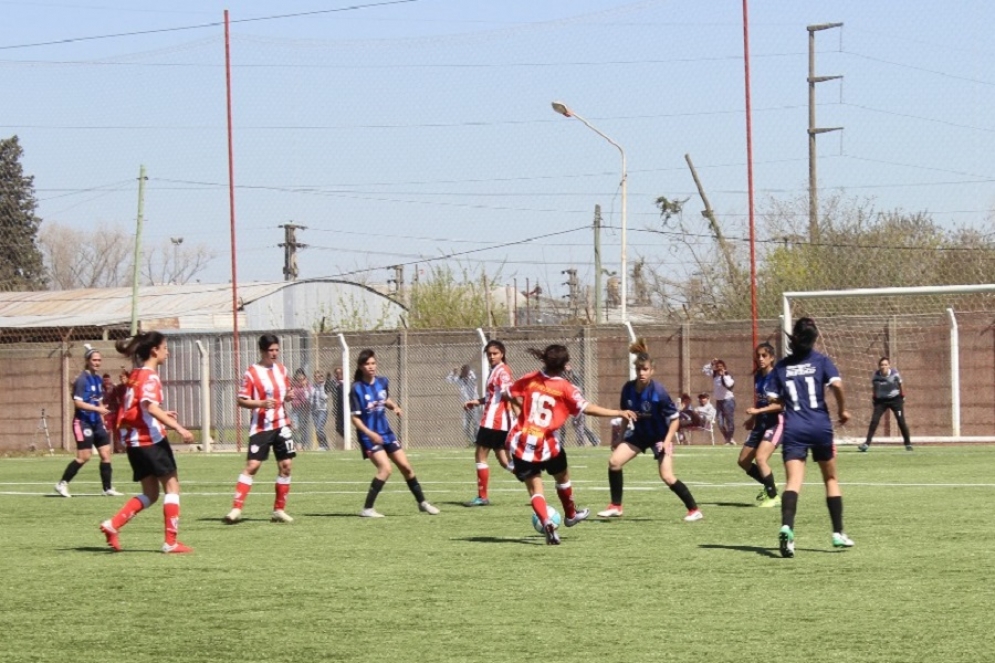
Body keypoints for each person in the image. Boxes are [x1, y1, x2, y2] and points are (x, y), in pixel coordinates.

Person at [505, 344, 636, 545]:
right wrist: (618, 412)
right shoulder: (566, 388)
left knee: (535, 490)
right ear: (566, 365)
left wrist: (520, 413)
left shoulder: (530, 378)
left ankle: (547, 521)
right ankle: (570, 514)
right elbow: (588, 408)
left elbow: (509, 393)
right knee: (562, 477)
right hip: (547, 443)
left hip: (522, 442)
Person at [99, 331, 195, 553]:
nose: (167, 351)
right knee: (172, 487)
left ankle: (112, 525)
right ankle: (170, 542)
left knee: (150, 494)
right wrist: (179, 428)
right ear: (155, 350)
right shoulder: (150, 376)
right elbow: (149, 406)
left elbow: (139, 408)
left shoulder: (136, 374)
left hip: (134, 442)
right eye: (165, 347)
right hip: (150, 440)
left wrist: (162, 413)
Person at [766, 317, 854, 558]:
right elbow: (836, 385)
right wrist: (842, 410)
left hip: (794, 427)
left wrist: (788, 401)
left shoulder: (782, 367)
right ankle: (838, 533)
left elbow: (773, 398)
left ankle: (787, 528)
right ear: (814, 339)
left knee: (793, 482)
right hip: (820, 426)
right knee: (831, 479)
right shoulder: (822, 361)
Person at [598, 339, 704, 522]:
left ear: (652, 371)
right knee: (614, 462)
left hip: (659, 437)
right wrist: (619, 439)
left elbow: (675, 419)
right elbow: (626, 415)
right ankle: (616, 506)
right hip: (639, 435)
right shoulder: (628, 389)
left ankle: (694, 510)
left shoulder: (659, 392)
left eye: (645, 369)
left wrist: (667, 440)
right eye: (639, 369)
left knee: (667, 476)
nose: (642, 373)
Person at [351, 349, 440, 518]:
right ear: (361, 367)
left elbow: (384, 399)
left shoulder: (382, 381)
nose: (371, 367)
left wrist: (394, 407)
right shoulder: (356, 389)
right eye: (367, 364)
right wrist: (369, 434)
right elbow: (355, 419)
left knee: (406, 467)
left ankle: (422, 503)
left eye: (373, 363)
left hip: (385, 432)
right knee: (385, 469)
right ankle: (367, 509)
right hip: (369, 436)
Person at [223, 334, 297, 525]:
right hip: (262, 426)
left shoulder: (282, 370)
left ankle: (279, 510)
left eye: (276, 350)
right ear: (263, 351)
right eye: (271, 350)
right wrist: (262, 403)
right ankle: (236, 509)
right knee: (253, 466)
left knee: (286, 466)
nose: (274, 354)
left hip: (282, 424)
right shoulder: (252, 373)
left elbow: (287, 393)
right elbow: (241, 400)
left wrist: (289, 396)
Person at [55, 345, 123, 498]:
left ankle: (107, 488)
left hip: (96, 422)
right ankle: (62, 484)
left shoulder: (98, 379)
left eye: (99, 360)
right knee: (84, 456)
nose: (97, 363)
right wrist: (97, 410)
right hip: (83, 422)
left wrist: (102, 416)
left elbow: (98, 400)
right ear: (87, 361)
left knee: (106, 454)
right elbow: (78, 403)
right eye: (94, 360)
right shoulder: (81, 380)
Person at [463, 340, 515, 507]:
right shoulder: (496, 371)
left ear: (502, 354)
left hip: (494, 421)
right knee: (504, 461)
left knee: (480, 455)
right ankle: (532, 479)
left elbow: (508, 393)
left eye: (495, 353)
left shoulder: (503, 372)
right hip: (498, 421)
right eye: (489, 354)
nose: (492, 356)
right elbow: (495, 396)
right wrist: (477, 401)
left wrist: (519, 412)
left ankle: (482, 497)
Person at [739, 342, 783, 507]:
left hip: (775, 424)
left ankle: (773, 496)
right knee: (743, 461)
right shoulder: (758, 377)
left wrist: (758, 412)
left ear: (771, 358)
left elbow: (781, 405)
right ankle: (768, 484)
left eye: (764, 356)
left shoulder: (777, 377)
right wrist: (753, 417)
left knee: (761, 458)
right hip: (760, 423)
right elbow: (760, 401)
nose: (760, 359)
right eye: (758, 356)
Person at [858, 357, 912, 452]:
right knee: (874, 421)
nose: (884, 367)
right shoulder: (876, 375)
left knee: (901, 421)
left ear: (889, 366)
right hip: (881, 401)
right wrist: (874, 397)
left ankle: (908, 444)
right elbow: (874, 386)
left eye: (885, 364)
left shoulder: (895, 374)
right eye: (882, 365)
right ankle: (866, 444)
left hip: (895, 400)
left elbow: (901, 384)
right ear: (879, 366)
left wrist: (902, 396)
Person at [555, 363, 602, 447]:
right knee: (564, 424)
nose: (566, 377)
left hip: (577, 406)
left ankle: (583, 443)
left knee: (578, 424)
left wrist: (571, 370)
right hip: (565, 406)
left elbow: (577, 379)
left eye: (568, 375)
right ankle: (594, 440)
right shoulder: (562, 385)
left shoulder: (574, 385)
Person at [703, 358, 736, 445]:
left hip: (728, 400)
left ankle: (729, 440)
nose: (719, 368)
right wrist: (711, 363)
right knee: (720, 422)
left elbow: (729, 384)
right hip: (719, 401)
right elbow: (705, 370)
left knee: (729, 421)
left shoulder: (728, 375)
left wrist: (723, 375)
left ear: (724, 367)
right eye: (717, 367)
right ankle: (728, 438)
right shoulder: (714, 374)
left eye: (721, 367)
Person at [447, 364, 479, 445]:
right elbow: (448, 380)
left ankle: (477, 440)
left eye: (466, 372)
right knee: (465, 426)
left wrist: (469, 372)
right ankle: (472, 441)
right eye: (463, 372)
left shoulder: (472, 378)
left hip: (474, 404)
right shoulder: (460, 380)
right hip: (465, 406)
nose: (465, 374)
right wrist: (453, 373)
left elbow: (474, 378)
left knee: (476, 424)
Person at [289, 368, 313, 450]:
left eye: (302, 378)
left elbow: (308, 398)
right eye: (298, 378)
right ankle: (296, 444)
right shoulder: (293, 386)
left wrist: (305, 387)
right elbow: (291, 396)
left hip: (305, 409)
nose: (300, 380)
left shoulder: (308, 386)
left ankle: (304, 445)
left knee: (303, 427)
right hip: (295, 409)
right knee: (294, 427)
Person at [310, 371, 330, 451]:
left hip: (322, 410)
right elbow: (309, 398)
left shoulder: (325, 386)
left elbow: (324, 397)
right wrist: (305, 389)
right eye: (316, 377)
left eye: (319, 377)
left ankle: (324, 445)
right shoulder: (313, 387)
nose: (317, 378)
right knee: (317, 429)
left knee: (319, 428)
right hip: (314, 411)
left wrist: (321, 387)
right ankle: (323, 445)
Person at [326, 367, 345, 441]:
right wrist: (328, 379)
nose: (338, 375)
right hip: (337, 407)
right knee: (338, 428)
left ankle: (347, 438)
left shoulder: (346, 382)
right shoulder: (334, 383)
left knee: (345, 425)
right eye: (337, 373)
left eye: (340, 373)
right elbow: (326, 389)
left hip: (345, 407)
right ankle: (345, 437)